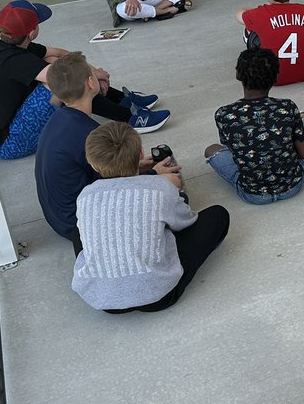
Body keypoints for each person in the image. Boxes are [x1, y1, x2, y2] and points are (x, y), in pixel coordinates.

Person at [0, 0, 168, 160]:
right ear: (31, 32)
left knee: (55, 62)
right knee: (64, 83)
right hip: (8, 142)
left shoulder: (9, 47)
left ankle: (121, 100)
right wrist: (93, 77)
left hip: (9, 121)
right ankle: (129, 118)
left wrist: (95, 72)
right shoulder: (15, 60)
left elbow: (61, 54)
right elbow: (67, 77)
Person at [72, 122, 230, 313]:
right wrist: (173, 190)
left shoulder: (85, 195)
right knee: (218, 215)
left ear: (92, 163)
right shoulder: (159, 189)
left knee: (77, 230)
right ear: (140, 153)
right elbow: (185, 221)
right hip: (159, 295)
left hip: (104, 301)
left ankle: (104, 275)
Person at [35, 52, 177, 250]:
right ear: (90, 84)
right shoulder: (91, 135)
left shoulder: (59, 119)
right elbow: (113, 186)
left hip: (60, 216)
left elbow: (101, 173)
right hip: (79, 223)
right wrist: (154, 176)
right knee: (167, 195)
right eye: (93, 73)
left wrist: (133, 167)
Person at [205, 47, 304, 204]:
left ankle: (292, 129)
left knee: (211, 150)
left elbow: (233, 152)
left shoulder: (224, 114)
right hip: (292, 186)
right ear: (275, 78)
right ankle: (299, 126)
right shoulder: (287, 106)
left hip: (253, 195)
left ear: (238, 74)